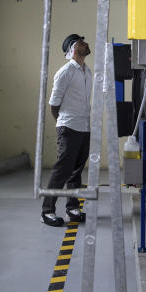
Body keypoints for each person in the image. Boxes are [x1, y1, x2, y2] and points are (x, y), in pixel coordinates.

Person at [41, 33, 92, 227]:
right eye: (81, 42)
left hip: (84, 127)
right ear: (72, 49)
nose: (85, 44)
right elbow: (54, 104)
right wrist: (63, 123)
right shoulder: (65, 72)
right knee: (62, 170)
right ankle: (47, 211)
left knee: (76, 171)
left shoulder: (87, 71)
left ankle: (72, 207)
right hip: (69, 127)